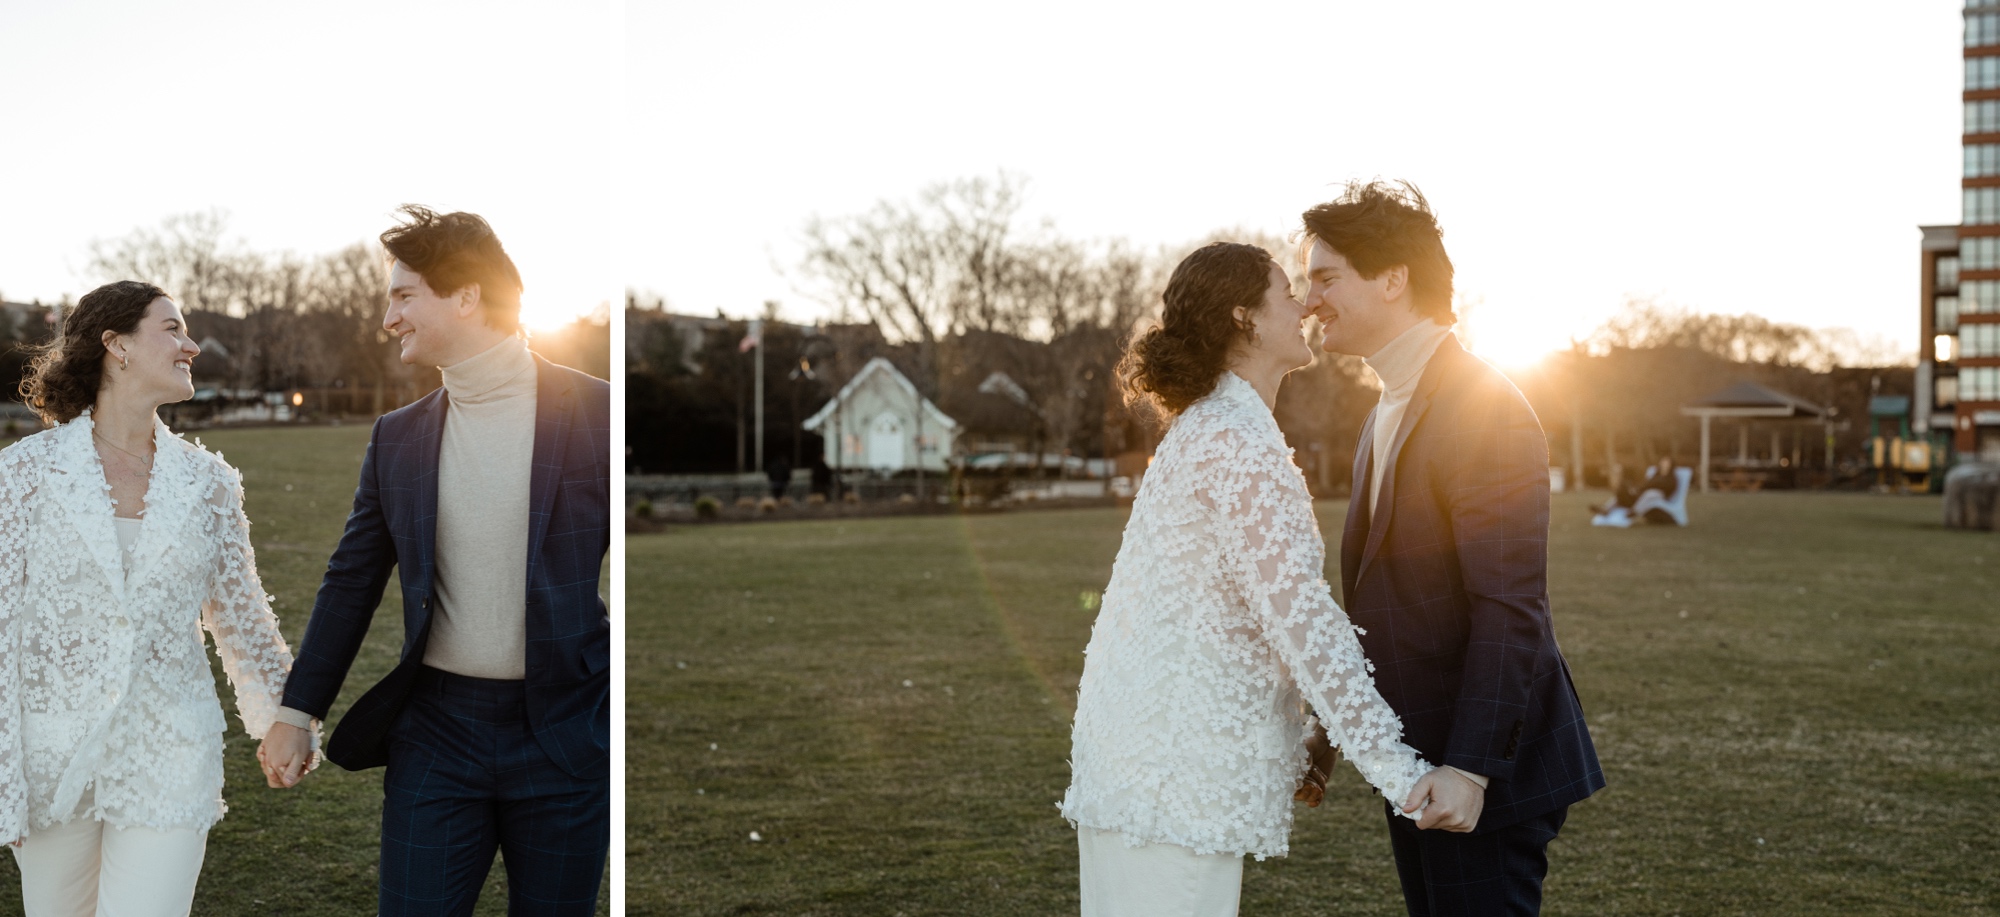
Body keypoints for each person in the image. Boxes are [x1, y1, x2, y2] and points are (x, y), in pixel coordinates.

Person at [1061, 242, 1437, 916]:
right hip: (1168, 786)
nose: (1307, 304)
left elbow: (1232, 616)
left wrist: (1310, 733)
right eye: (1287, 292)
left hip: (1147, 772)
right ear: (1246, 317)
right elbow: (1303, 621)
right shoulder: (1233, 441)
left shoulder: (1212, 430)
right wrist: (1404, 775)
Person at [256, 207, 611, 914]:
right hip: (438, 735)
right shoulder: (398, 438)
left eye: (402, 295)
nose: (388, 318)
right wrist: (298, 710)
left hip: (565, 732)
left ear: (467, 296)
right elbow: (352, 576)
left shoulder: (599, 413)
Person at [1301, 181, 1604, 916]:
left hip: (1483, 779)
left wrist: (1470, 767)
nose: (1310, 299)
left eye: (1325, 276)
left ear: (1394, 278)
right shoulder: (1385, 409)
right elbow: (1388, 602)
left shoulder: (1484, 406)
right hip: (1418, 765)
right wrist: (1336, 723)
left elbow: (1510, 605)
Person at [0, 280, 307, 916]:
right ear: (115, 345)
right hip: (49, 762)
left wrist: (286, 716)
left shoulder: (209, 483)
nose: (191, 345)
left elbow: (243, 616)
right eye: (172, 329)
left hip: (170, 750)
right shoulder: (23, 474)